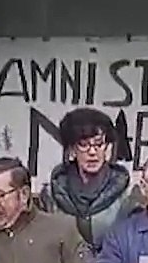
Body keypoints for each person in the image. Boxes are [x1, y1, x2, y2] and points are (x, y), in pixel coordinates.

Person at [35, 107, 140, 250]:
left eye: (98, 144)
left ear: (107, 147)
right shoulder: (51, 194)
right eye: (84, 145)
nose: (92, 152)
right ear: (72, 149)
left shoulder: (128, 194)